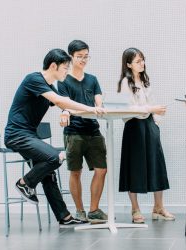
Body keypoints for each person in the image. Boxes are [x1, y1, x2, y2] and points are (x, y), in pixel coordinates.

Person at [4, 48, 104, 228]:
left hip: (28, 135)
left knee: (49, 175)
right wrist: (89, 108)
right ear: (53, 66)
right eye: (65, 67)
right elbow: (60, 101)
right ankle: (24, 183)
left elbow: (65, 106)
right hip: (17, 134)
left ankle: (64, 217)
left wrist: (78, 111)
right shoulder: (34, 79)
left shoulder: (49, 87)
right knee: (55, 157)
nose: (67, 71)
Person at [117, 48, 174, 224]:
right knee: (134, 167)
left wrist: (156, 120)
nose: (142, 63)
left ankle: (158, 207)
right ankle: (135, 209)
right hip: (134, 127)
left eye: (143, 60)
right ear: (128, 64)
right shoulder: (124, 83)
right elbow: (128, 109)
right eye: (137, 61)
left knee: (157, 165)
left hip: (149, 126)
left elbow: (152, 103)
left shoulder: (145, 80)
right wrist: (151, 110)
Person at [58, 40, 108, 223]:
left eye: (86, 56)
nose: (83, 60)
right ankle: (80, 211)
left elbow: (98, 101)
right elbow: (65, 104)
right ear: (71, 57)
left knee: (102, 169)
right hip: (74, 132)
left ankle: (94, 210)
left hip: (93, 130)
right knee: (75, 172)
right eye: (79, 56)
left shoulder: (92, 79)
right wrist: (68, 111)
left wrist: (98, 107)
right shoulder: (63, 81)